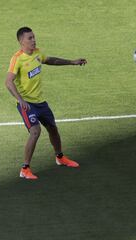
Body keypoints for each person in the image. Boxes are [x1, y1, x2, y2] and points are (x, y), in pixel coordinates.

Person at [5, 27, 87, 180]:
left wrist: (72, 62)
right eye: (30, 38)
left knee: (53, 129)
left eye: (34, 37)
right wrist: (21, 100)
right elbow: (8, 82)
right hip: (27, 104)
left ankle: (60, 157)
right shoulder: (17, 58)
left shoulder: (37, 52)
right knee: (35, 132)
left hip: (41, 102)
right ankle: (25, 169)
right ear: (21, 41)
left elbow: (50, 60)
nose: (33, 40)